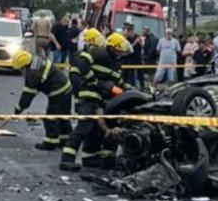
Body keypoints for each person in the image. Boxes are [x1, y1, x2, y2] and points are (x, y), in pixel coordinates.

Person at [59, 32, 132, 172]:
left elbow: (120, 83)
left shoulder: (116, 64)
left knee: (97, 130)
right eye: (119, 51)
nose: (120, 54)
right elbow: (81, 62)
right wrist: (92, 80)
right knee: (84, 127)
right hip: (89, 96)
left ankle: (90, 158)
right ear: (111, 48)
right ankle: (66, 159)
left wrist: (132, 90)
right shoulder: (100, 52)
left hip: (102, 100)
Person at [13, 50, 73, 151]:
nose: (21, 72)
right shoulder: (37, 59)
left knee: (50, 117)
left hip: (57, 91)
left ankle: (50, 143)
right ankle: (65, 141)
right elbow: (40, 84)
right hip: (66, 88)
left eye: (20, 69)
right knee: (63, 116)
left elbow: (27, 96)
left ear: (24, 66)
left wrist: (18, 109)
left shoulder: (32, 74)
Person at [121, 22, 141, 88]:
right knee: (125, 74)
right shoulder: (125, 38)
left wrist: (139, 42)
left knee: (132, 74)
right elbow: (129, 49)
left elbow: (141, 45)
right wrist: (135, 42)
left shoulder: (137, 36)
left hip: (134, 58)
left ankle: (133, 85)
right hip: (125, 59)